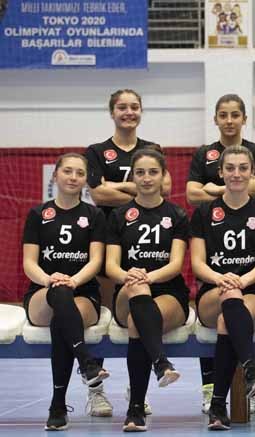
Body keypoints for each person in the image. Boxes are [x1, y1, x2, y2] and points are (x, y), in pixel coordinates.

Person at [85, 89, 171, 417]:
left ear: (141, 111)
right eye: (122, 107)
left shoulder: (152, 149)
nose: (128, 112)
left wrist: (117, 186)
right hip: (109, 241)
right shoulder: (97, 151)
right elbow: (98, 194)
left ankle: (137, 389)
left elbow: (164, 189)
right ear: (112, 112)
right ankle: (96, 390)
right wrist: (138, 194)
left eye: (134, 107)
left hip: (146, 245)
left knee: (139, 318)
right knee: (104, 320)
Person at [187, 94, 255, 414]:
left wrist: (242, 281)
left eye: (243, 168)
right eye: (230, 168)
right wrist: (223, 279)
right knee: (229, 301)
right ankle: (250, 369)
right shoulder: (204, 213)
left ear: (252, 173)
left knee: (229, 320)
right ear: (220, 172)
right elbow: (197, 263)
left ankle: (218, 404)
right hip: (214, 289)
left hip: (254, 290)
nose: (237, 174)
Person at [23, 153, 110, 430]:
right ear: (55, 175)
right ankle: (86, 361)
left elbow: (96, 261)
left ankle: (58, 406)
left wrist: (73, 280)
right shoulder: (38, 214)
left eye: (80, 173)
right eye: (67, 171)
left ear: (85, 180)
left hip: (84, 293)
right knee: (59, 295)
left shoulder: (95, 215)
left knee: (63, 319)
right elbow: (29, 263)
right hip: (43, 293)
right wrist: (49, 280)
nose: (73, 177)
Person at [105, 148, 188, 431]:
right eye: (140, 172)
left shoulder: (177, 214)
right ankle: (160, 362)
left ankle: (135, 410)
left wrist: (148, 277)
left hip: (168, 293)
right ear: (133, 177)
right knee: (137, 293)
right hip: (127, 292)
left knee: (136, 322)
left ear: (164, 176)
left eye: (153, 172)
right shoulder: (119, 215)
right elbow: (111, 266)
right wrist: (130, 276)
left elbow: (175, 265)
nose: (146, 178)